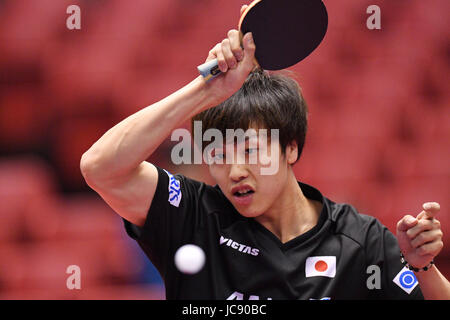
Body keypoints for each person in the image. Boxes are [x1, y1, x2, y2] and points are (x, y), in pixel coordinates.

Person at [80, 6, 449, 300]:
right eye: (218, 155)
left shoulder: (360, 241)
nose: (235, 171)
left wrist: (421, 268)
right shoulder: (193, 218)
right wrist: (204, 92)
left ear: (290, 148)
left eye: (250, 150)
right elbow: (101, 167)